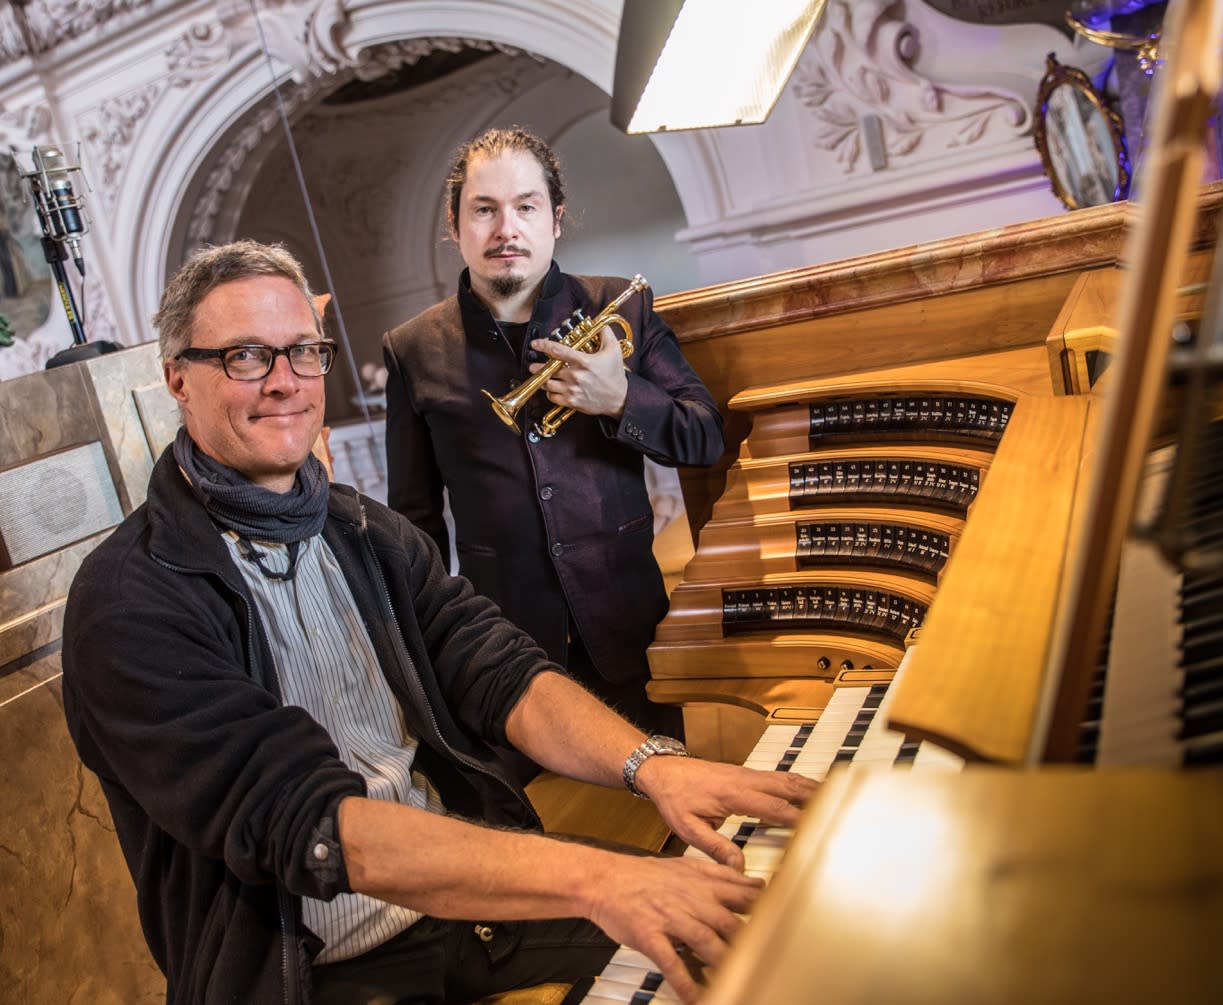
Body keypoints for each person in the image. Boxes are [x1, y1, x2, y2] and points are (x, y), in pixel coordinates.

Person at [59, 240, 814, 1005]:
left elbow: (495, 668)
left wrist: (653, 765)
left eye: (303, 351)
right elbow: (312, 823)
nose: (285, 381)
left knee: (753, 942)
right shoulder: (130, 603)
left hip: (462, 914)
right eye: (246, 356)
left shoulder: (362, 530)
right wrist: (599, 877)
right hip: (313, 973)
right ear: (177, 378)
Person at [382, 127, 724, 748]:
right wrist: (432, 653)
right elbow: (415, 523)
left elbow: (704, 437)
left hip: (629, 634)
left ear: (556, 219)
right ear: (455, 227)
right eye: (484, 210)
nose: (505, 229)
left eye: (525, 206)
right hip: (501, 653)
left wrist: (620, 399)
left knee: (664, 792)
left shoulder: (622, 305)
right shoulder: (411, 350)